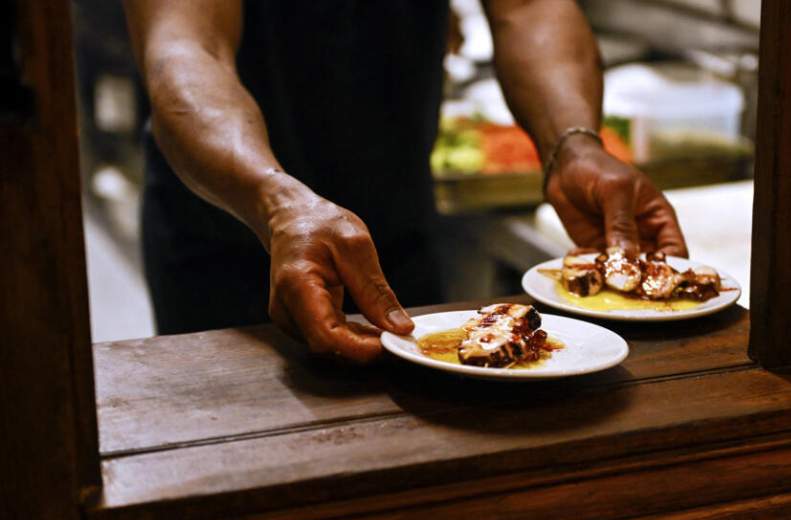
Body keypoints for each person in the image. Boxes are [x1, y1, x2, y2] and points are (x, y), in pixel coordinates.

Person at [123, 0, 687, 362]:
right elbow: (185, 49)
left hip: (393, 225)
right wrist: (275, 200)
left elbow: (530, 7)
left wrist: (574, 143)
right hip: (229, 232)